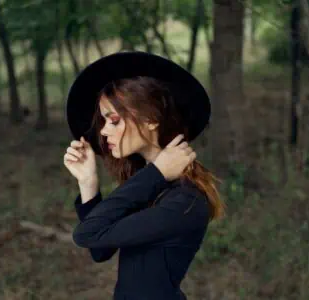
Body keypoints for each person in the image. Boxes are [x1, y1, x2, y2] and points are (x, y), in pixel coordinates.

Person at [64, 52, 225, 300]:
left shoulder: (185, 200)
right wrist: (88, 182)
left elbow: (87, 234)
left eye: (114, 121)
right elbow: (100, 250)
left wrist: (157, 173)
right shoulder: (150, 183)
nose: (104, 131)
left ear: (150, 119)